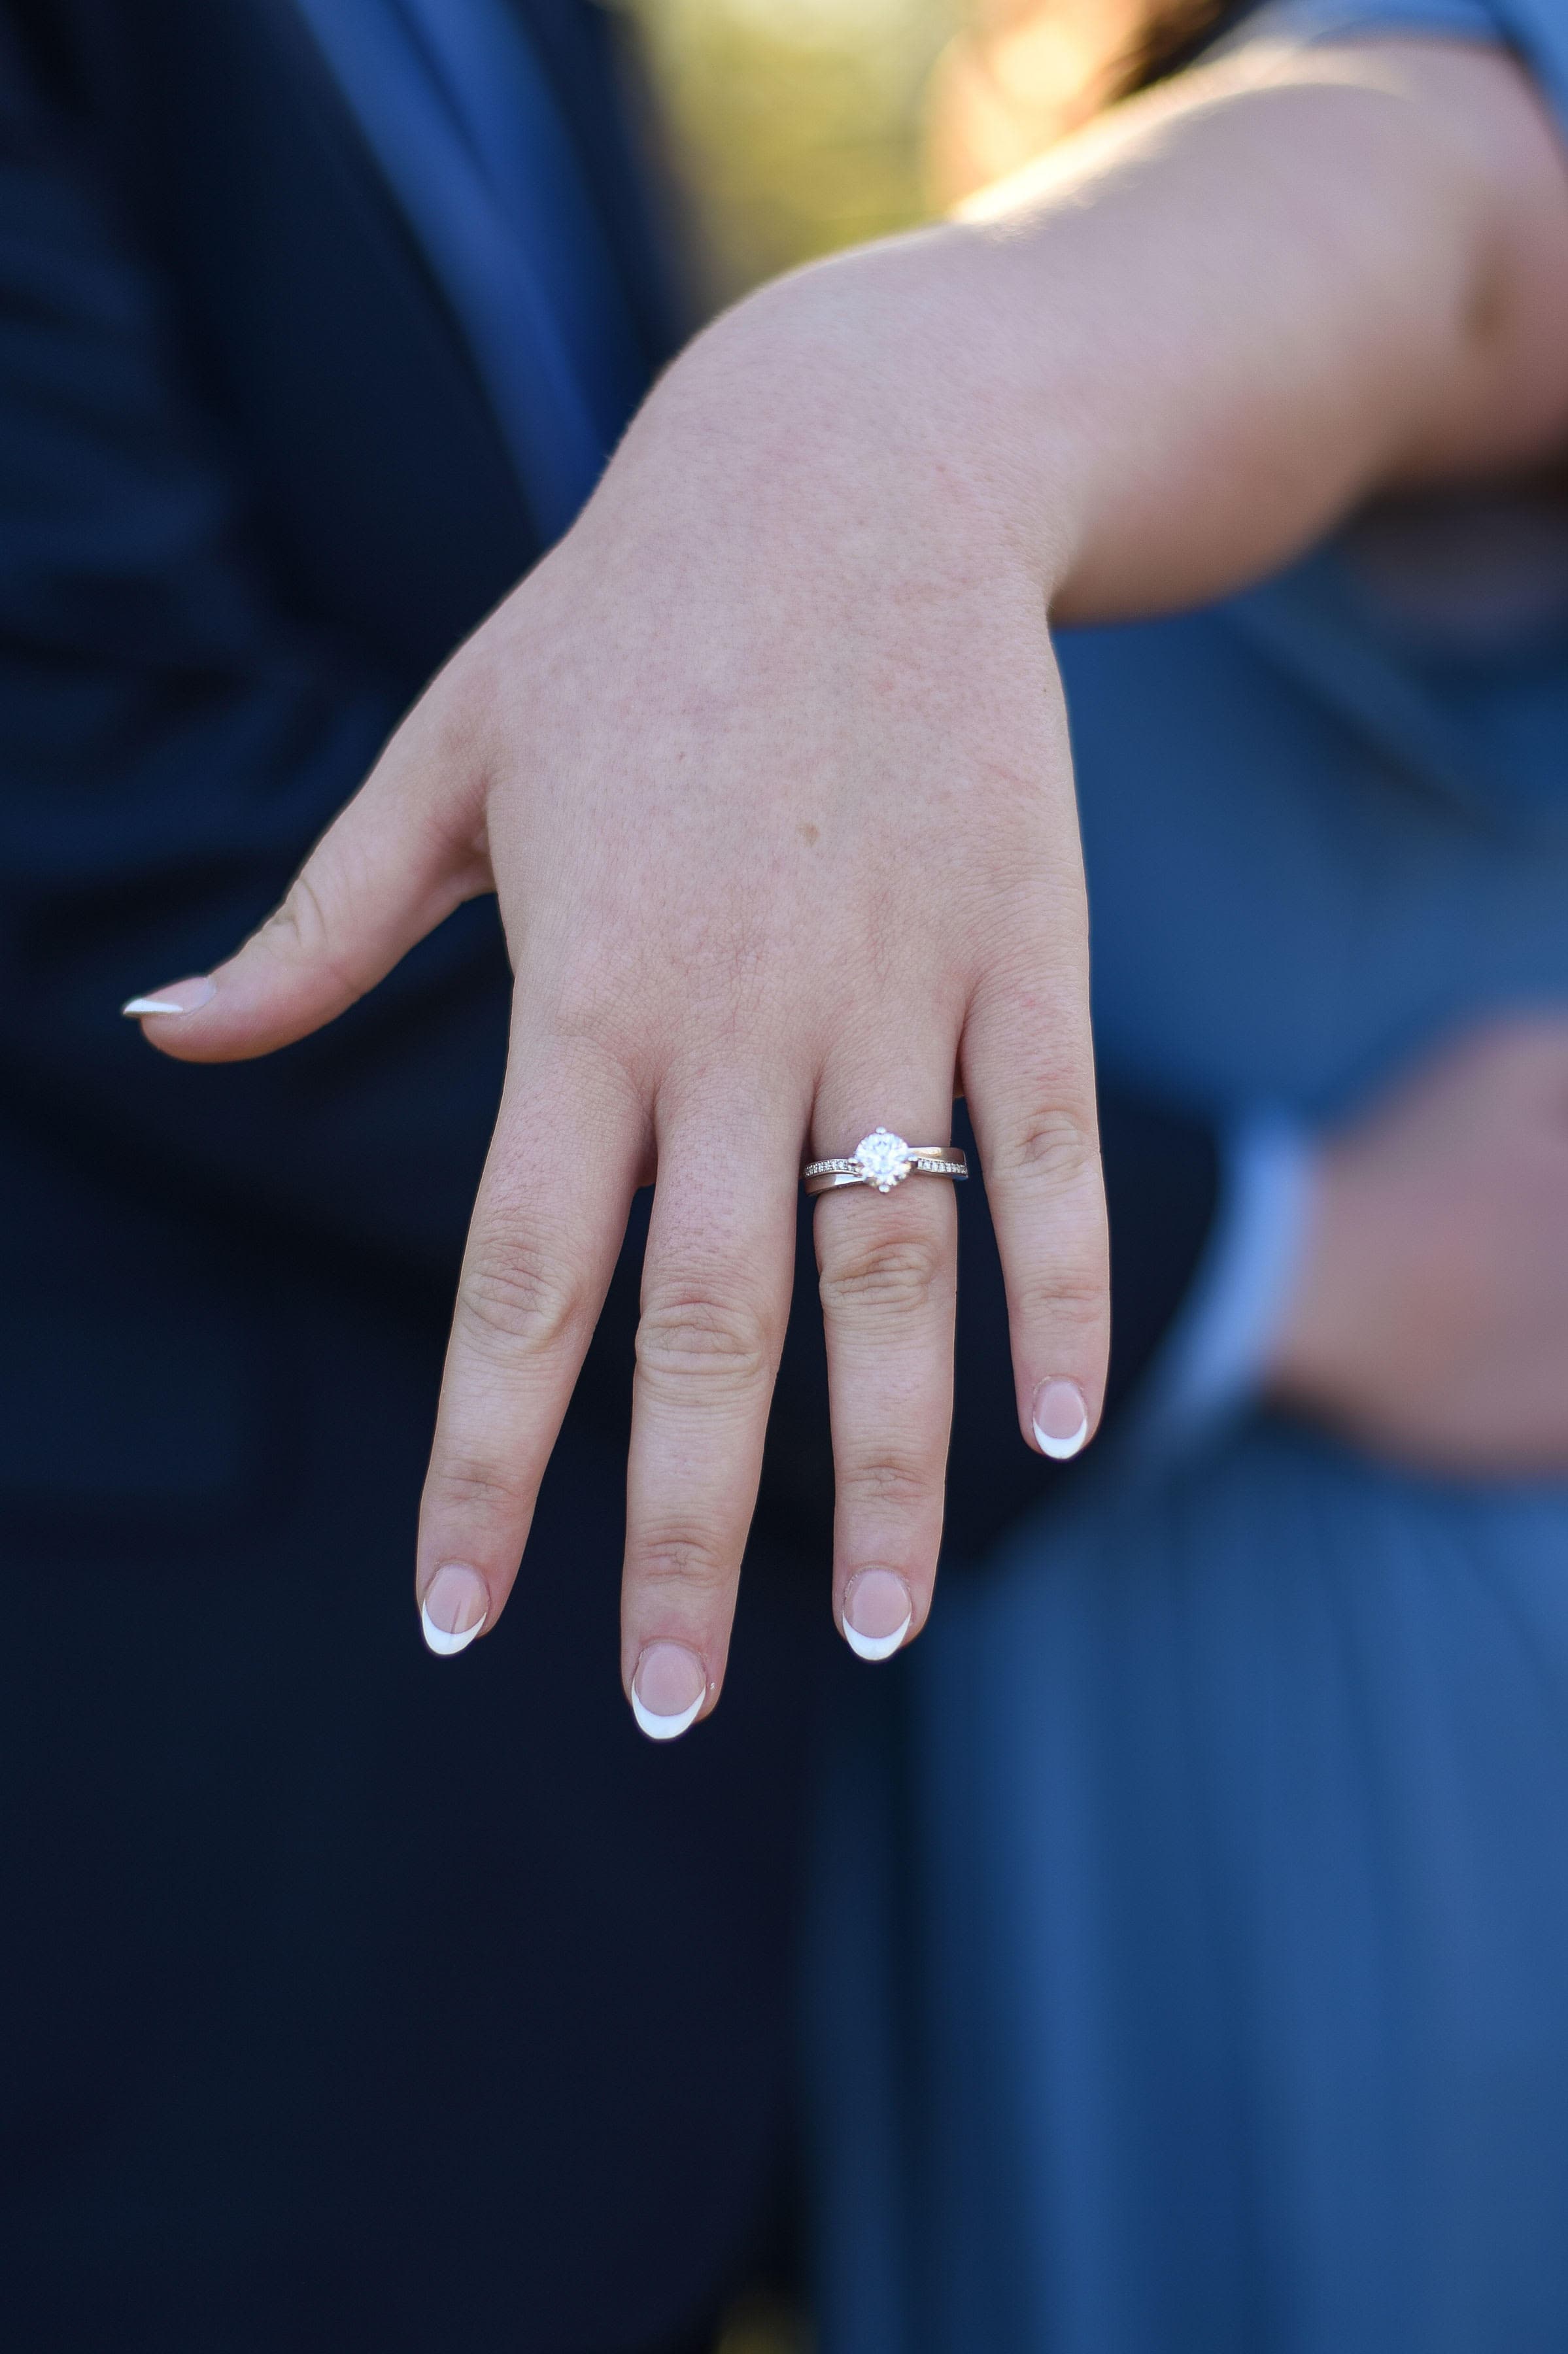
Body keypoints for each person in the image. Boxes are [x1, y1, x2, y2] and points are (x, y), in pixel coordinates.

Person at [12, 5, 1568, 2351]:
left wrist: (881, 402)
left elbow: (1449, 200)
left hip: (1379, 1699)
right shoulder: (1029, 100)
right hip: (939, 1736)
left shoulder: (1354, 112)